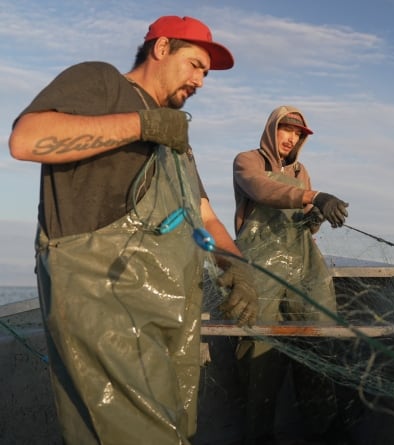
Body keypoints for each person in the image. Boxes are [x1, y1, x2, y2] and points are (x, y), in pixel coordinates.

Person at [8, 16, 261, 445]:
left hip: (173, 315)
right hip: (104, 305)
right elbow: (26, 139)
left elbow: (205, 215)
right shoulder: (102, 81)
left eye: (205, 73)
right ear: (161, 49)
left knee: (179, 432)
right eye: (195, 65)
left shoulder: (175, 135)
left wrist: (237, 266)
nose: (201, 80)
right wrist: (142, 125)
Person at [232, 105, 349, 442]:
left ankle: (323, 429)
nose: (292, 137)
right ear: (272, 129)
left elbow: (305, 230)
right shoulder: (247, 161)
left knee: (317, 338)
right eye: (287, 129)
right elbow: (261, 189)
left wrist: (317, 216)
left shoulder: (301, 171)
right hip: (259, 264)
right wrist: (314, 196)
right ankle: (259, 434)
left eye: (298, 134)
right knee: (258, 350)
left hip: (302, 264)